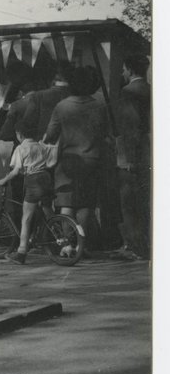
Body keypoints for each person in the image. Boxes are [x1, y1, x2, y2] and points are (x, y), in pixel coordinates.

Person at [43, 65, 110, 248]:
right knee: (86, 204)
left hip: (67, 161)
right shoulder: (100, 105)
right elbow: (106, 133)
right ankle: (81, 247)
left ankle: (67, 246)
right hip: (92, 160)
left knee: (66, 203)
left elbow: (50, 135)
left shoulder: (62, 106)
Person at [0, 123, 58, 264]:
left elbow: (16, 170)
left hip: (33, 180)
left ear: (19, 134)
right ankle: (63, 241)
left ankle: (22, 251)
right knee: (48, 211)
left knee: (26, 218)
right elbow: (51, 162)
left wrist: (3, 180)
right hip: (46, 178)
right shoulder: (41, 146)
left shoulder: (21, 148)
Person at [114, 54, 151, 260]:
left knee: (130, 204)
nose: (122, 73)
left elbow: (131, 127)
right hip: (150, 153)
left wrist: (129, 158)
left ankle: (137, 247)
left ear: (129, 68)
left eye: (123, 69)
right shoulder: (153, 89)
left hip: (134, 155)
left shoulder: (128, 92)